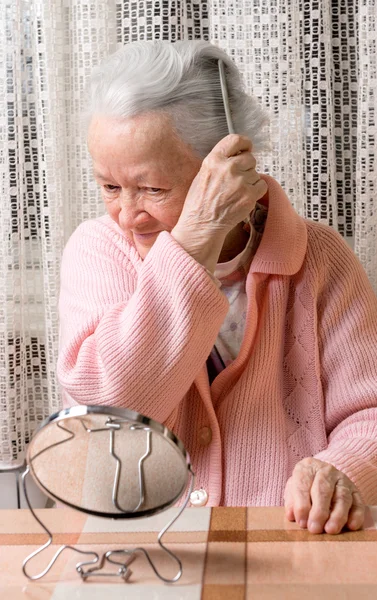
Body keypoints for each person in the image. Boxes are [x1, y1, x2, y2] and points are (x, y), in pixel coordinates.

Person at [57, 40, 377, 534]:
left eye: (152, 188)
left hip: (285, 543)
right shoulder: (98, 250)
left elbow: (369, 413)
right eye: (109, 186)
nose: (125, 213)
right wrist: (192, 242)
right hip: (138, 552)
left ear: (227, 169)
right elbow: (110, 414)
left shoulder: (321, 258)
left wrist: (342, 471)